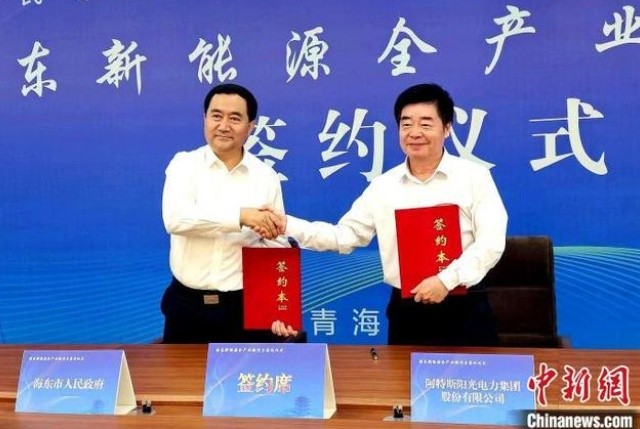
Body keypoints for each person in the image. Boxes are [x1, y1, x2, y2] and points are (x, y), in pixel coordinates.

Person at [271, 83, 507, 346]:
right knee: (400, 375)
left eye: (426, 124)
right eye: (406, 124)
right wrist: (285, 224)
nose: (414, 132)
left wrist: (445, 280)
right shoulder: (383, 186)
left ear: (447, 128)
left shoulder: (474, 177)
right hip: (408, 312)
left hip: (466, 308)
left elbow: (491, 242)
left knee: (473, 373)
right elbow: (345, 236)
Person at [161, 83, 297, 343]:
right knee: (180, 372)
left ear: (251, 126)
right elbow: (176, 219)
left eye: (235, 118)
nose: (224, 125)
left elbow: (275, 244)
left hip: (243, 306)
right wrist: (241, 217)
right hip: (186, 306)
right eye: (216, 116)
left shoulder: (265, 176)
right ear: (205, 119)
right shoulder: (184, 165)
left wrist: (280, 309)